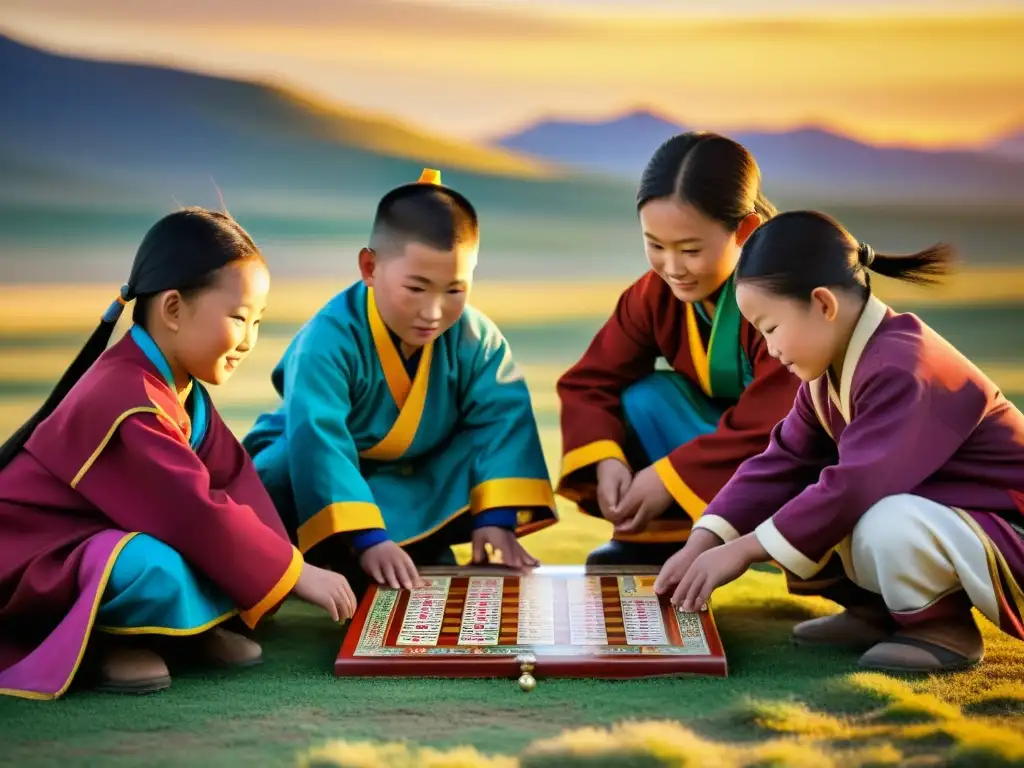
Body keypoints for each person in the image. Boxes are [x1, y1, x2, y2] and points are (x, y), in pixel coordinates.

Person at [0, 208, 357, 700]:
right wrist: (295, 573)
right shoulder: (124, 395)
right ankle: (111, 642)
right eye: (238, 318)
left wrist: (279, 559)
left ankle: (185, 632)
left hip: (99, 540)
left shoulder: (180, 388)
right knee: (153, 564)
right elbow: (192, 511)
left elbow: (234, 482)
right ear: (172, 309)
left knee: (232, 550)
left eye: (257, 321)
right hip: (36, 556)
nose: (249, 340)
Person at [654, 210, 1024, 673]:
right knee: (802, 500)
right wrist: (704, 541)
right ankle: (876, 612)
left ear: (823, 304)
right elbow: (781, 462)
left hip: (1009, 527)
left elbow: (857, 486)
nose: (769, 350)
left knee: (881, 517)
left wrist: (744, 549)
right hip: (951, 516)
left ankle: (941, 627)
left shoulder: (901, 366)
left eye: (770, 328)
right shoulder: (830, 372)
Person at [243, 169, 557, 592]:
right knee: (280, 468)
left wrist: (495, 517)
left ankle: (416, 545)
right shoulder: (327, 339)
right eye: (417, 288)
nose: (433, 311)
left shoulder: (476, 338)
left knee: (487, 432)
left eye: (454, 291)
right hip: (315, 476)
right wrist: (366, 537)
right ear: (370, 267)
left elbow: (502, 421)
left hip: (412, 473)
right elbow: (319, 439)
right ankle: (339, 552)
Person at [556, 132, 801, 565]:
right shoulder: (653, 296)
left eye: (690, 249)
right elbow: (590, 382)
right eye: (655, 245)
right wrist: (606, 457)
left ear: (744, 230)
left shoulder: (789, 295)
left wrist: (671, 476)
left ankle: (870, 602)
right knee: (643, 397)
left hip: (807, 453)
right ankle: (652, 541)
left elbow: (780, 420)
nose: (672, 268)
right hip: (722, 444)